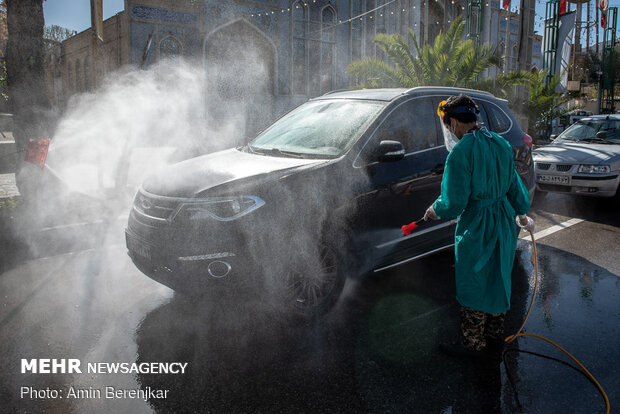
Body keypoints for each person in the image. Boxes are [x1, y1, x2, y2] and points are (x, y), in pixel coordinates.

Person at [423, 94, 534, 355]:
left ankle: (474, 344)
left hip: (477, 227)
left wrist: (434, 210)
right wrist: (521, 214)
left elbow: (454, 202)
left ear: (452, 122)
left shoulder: (461, 153)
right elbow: (514, 186)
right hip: (504, 224)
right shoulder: (500, 144)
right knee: (497, 278)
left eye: (447, 124)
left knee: (474, 283)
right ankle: (494, 335)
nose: (448, 130)